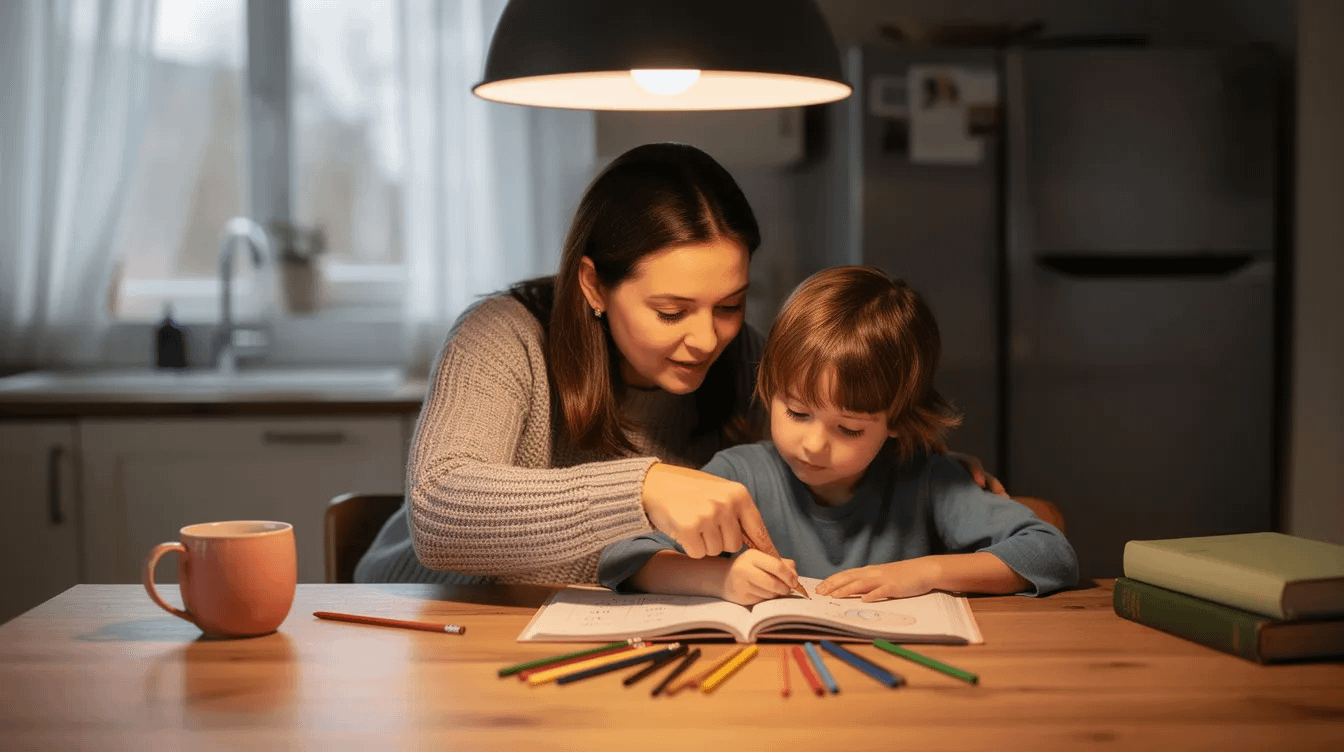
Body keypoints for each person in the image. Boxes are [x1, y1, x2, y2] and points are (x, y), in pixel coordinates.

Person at [355, 143, 1004, 585]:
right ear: (592, 285)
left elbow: (826, 447)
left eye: (729, 304)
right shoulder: (502, 336)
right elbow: (439, 518)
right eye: (671, 311)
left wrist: (917, 467)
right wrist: (644, 489)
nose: (707, 338)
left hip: (612, 628)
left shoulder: (743, 355)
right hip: (433, 620)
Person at [599, 266, 1078, 604]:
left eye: (849, 428)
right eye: (798, 412)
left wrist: (924, 573)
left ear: (895, 420)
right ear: (769, 389)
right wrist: (719, 579)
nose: (813, 445)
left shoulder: (927, 479)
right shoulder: (738, 474)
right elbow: (626, 559)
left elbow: (1051, 553)